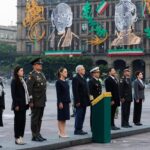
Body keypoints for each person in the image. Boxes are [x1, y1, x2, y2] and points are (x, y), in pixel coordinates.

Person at [27, 58, 47, 142]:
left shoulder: (41, 74)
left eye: (41, 64)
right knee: (35, 118)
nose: (40, 65)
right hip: (35, 101)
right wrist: (30, 101)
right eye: (39, 64)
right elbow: (29, 90)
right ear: (34, 66)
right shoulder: (32, 75)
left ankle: (38, 133)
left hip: (41, 100)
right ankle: (34, 135)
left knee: (40, 118)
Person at [11, 66, 29, 145]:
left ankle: (21, 137)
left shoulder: (23, 80)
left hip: (24, 105)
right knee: (17, 122)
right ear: (17, 72)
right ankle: (17, 138)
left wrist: (27, 102)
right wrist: (16, 105)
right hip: (18, 105)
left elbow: (26, 92)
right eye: (21, 70)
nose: (23, 72)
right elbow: (13, 95)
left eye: (23, 70)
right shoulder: (14, 81)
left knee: (23, 121)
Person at [72, 65, 90, 135]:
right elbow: (75, 91)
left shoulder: (83, 78)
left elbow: (86, 90)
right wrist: (77, 101)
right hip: (79, 101)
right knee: (79, 115)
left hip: (84, 100)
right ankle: (77, 129)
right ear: (78, 71)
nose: (84, 70)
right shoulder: (76, 78)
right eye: (82, 69)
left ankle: (80, 129)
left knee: (82, 115)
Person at [55, 67, 71, 138]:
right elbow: (58, 93)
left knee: (64, 118)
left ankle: (63, 131)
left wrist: (69, 101)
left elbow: (67, 92)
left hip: (67, 101)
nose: (66, 73)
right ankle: (61, 132)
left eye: (66, 71)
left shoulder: (66, 81)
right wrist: (60, 102)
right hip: (61, 102)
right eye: (65, 72)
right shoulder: (58, 82)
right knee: (61, 118)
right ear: (61, 73)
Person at [88, 67, 102, 131]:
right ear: (93, 73)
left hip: (99, 100)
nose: (98, 73)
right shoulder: (91, 81)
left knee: (97, 115)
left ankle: (97, 126)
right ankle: (92, 127)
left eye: (99, 72)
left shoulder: (98, 81)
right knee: (93, 115)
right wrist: (92, 101)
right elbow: (90, 92)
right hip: (94, 101)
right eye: (97, 72)